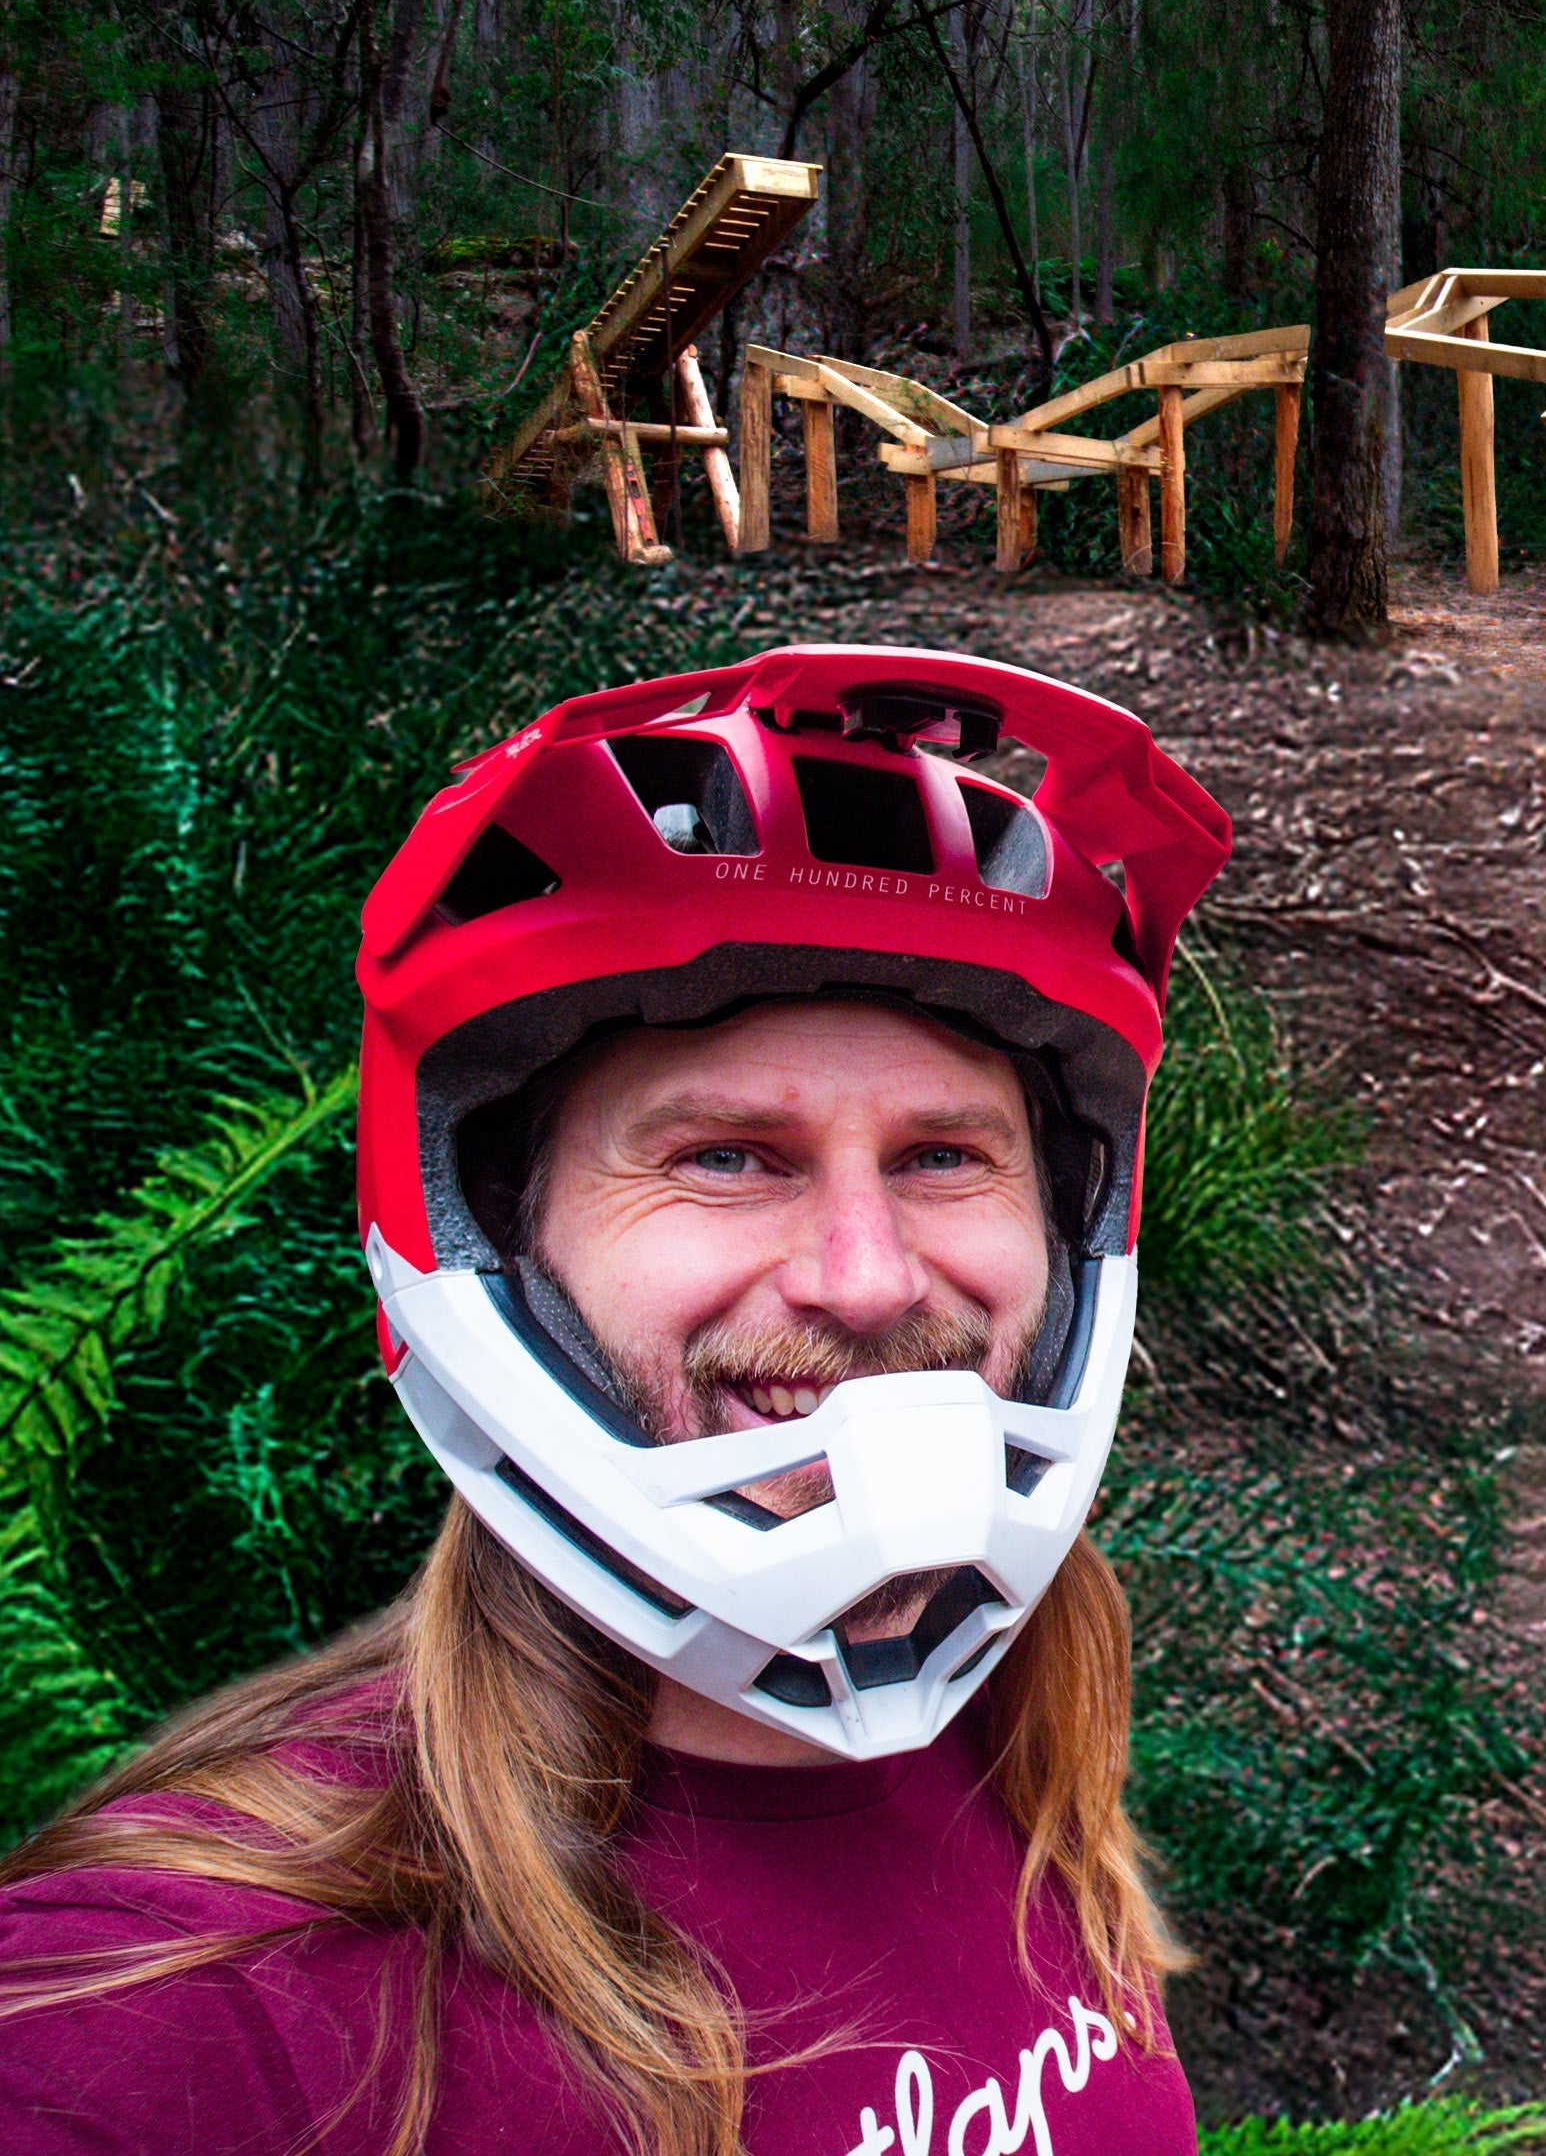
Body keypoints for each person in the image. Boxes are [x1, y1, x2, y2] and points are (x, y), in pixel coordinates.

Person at [0, 645, 1235, 2156]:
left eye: (944, 1156)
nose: (864, 1278)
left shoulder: (1025, 1747)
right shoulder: (186, 2009)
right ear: (496, 1238)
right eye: (724, 1157)